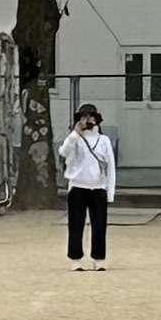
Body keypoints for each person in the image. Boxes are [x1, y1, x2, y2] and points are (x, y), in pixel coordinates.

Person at [60, 104, 118, 267]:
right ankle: (75, 259)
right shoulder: (74, 139)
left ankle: (98, 259)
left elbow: (110, 166)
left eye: (91, 116)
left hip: (98, 187)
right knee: (76, 225)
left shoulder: (104, 140)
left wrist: (110, 191)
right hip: (77, 187)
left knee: (99, 225)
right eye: (84, 117)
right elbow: (64, 152)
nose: (88, 120)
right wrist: (75, 134)